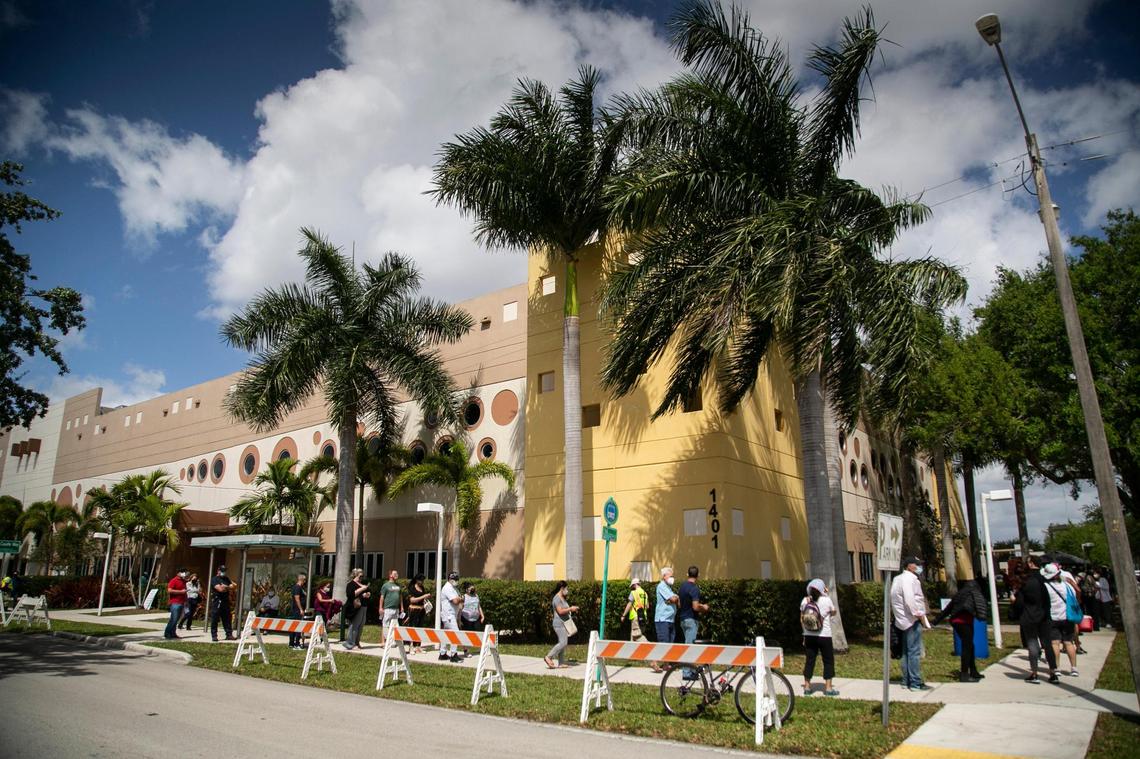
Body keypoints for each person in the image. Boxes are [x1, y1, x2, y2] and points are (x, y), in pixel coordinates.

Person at [1011, 554, 1058, 684]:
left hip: (1029, 616)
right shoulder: (1045, 580)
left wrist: (1014, 602)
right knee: (1047, 644)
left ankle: (1035, 673)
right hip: (1044, 616)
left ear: (1031, 564)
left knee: (1032, 644)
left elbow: (1020, 602)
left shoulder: (1026, 581)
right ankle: (1053, 672)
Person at [932, 579, 988, 682]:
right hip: (963, 622)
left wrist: (935, 621)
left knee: (970, 646)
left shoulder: (960, 594)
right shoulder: (973, 593)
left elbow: (948, 609)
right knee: (967, 647)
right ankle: (964, 674)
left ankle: (974, 671)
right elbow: (981, 607)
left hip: (958, 622)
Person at [890, 556, 930, 691]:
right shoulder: (910, 579)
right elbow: (910, 599)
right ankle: (915, 682)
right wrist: (918, 615)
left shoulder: (897, 579)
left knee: (906, 652)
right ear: (909, 566)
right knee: (913, 652)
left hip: (901, 620)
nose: (919, 567)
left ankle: (905, 680)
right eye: (917, 564)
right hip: (911, 620)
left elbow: (895, 600)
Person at [800, 578, 839, 695]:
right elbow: (834, 611)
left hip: (809, 635)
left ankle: (807, 687)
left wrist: (804, 634)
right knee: (828, 661)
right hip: (824, 635)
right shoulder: (826, 600)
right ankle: (828, 688)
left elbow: (802, 618)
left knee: (810, 660)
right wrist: (826, 594)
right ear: (822, 589)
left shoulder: (805, 600)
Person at [1043, 563, 1079, 677]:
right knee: (1069, 643)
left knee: (1055, 643)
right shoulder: (1067, 585)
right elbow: (1074, 596)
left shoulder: (1046, 587)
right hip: (1067, 617)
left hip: (1053, 617)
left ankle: (1057, 667)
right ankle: (1074, 668)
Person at [678, 565, 709, 680]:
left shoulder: (682, 587)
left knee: (687, 644)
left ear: (687, 574)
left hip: (682, 619)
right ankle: (687, 673)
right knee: (689, 647)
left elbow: (679, 604)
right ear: (698, 575)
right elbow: (695, 607)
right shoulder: (694, 588)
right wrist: (704, 607)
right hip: (691, 620)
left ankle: (690, 670)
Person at [544, 580, 578, 669]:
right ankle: (548, 657)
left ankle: (561, 662)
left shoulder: (562, 598)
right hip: (558, 624)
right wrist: (571, 609)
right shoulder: (557, 598)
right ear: (562, 588)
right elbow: (560, 611)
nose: (567, 590)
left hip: (564, 623)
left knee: (562, 642)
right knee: (563, 642)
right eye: (566, 588)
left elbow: (564, 610)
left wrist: (571, 610)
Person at [653, 567, 679, 673]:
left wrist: (675, 598)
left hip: (670, 619)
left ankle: (666, 665)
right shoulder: (662, 586)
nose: (672, 578)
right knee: (663, 642)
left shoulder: (669, 588)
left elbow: (675, 600)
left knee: (669, 643)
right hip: (662, 619)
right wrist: (675, 598)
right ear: (664, 576)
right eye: (670, 576)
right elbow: (674, 599)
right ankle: (654, 661)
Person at [343, 568, 371, 650]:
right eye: (360, 576)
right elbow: (350, 594)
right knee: (354, 625)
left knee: (361, 625)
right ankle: (350, 643)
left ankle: (357, 642)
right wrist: (362, 590)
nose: (362, 577)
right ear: (355, 575)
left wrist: (367, 594)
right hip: (355, 608)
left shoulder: (362, 584)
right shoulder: (351, 584)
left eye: (363, 576)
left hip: (363, 607)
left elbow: (369, 592)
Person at [439, 570, 462, 661]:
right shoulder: (447, 588)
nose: (456, 580)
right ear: (449, 579)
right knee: (455, 633)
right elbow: (455, 601)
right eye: (454, 579)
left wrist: (460, 598)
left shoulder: (454, 588)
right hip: (448, 615)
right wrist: (461, 598)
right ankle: (453, 654)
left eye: (457, 579)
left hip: (452, 614)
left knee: (446, 634)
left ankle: (443, 653)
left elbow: (459, 599)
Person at [209, 566, 237, 642]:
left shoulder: (226, 579)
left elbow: (234, 586)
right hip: (217, 600)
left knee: (227, 618)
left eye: (224, 570)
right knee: (215, 618)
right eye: (222, 570)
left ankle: (229, 634)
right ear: (218, 570)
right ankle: (214, 635)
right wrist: (227, 587)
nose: (223, 572)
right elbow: (220, 589)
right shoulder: (215, 579)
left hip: (225, 600)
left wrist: (226, 587)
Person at [405, 574, 429, 654]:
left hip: (421, 610)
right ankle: (410, 645)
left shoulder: (422, 588)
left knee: (420, 628)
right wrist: (423, 596)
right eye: (421, 580)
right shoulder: (412, 588)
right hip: (413, 610)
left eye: (423, 580)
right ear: (416, 580)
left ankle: (418, 646)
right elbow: (412, 600)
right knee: (412, 627)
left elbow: (422, 598)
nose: (422, 582)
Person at [621, 578, 649, 644]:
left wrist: (623, 615)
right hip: (643, 618)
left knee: (636, 636)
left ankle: (649, 645)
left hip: (636, 617)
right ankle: (631, 652)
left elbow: (629, 604)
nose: (632, 587)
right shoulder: (645, 593)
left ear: (635, 584)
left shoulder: (634, 592)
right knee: (634, 637)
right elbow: (647, 606)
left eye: (632, 586)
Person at [164, 568, 188, 640]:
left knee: (176, 619)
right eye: (182, 572)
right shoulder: (174, 580)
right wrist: (181, 592)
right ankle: (167, 633)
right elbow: (169, 590)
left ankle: (173, 633)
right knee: (173, 619)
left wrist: (185, 601)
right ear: (178, 573)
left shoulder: (183, 581)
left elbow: (184, 592)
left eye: (185, 572)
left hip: (181, 602)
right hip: (175, 603)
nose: (184, 573)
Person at [380, 569, 404, 639]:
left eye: (397, 574)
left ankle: (393, 640)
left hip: (396, 609)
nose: (397, 575)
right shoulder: (386, 585)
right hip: (388, 608)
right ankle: (383, 642)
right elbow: (382, 597)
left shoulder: (398, 585)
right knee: (385, 625)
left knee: (395, 625)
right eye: (395, 574)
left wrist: (402, 607)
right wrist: (380, 608)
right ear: (390, 575)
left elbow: (400, 597)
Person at [289, 573, 307, 649]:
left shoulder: (300, 588)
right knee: (297, 626)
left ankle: (292, 643)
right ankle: (296, 643)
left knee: (294, 625)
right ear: (301, 579)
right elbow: (297, 598)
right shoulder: (297, 587)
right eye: (305, 580)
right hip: (297, 610)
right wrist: (300, 609)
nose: (305, 581)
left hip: (297, 609)